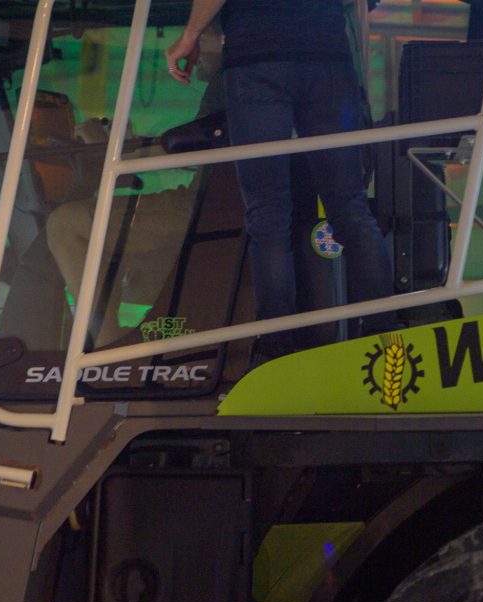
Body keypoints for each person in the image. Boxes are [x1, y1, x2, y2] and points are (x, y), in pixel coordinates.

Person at [165, 0, 396, 362]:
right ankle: (387, 338)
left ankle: (276, 350)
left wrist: (190, 35)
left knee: (268, 215)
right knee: (350, 207)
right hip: (327, 55)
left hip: (257, 59)